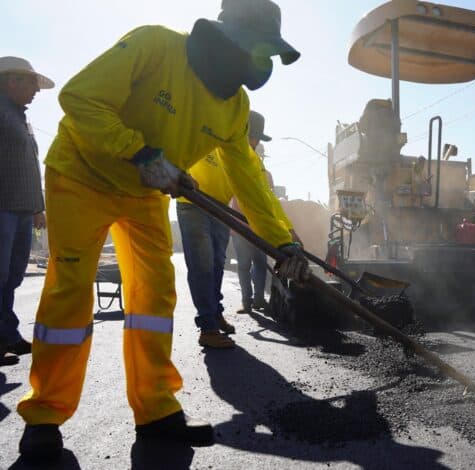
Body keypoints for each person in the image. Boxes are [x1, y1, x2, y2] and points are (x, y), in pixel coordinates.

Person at [16, 0, 310, 463]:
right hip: (81, 173)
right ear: (228, 38)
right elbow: (78, 97)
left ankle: (155, 409)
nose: (260, 64)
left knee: (155, 296)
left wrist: (283, 242)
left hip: (142, 194)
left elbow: (249, 181)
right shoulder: (155, 45)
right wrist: (140, 152)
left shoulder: (235, 108)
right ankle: (45, 416)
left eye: (269, 57)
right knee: (70, 290)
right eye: (260, 51)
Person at [0, 57, 52, 359]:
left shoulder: (21, 118)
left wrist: (37, 207)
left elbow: (31, 167)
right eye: (32, 82)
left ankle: (7, 332)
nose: (37, 90)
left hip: (21, 209)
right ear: (12, 81)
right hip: (3, 207)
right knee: (1, 274)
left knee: (13, 275)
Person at [231, 111, 297, 313]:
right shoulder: (232, 159)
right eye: (254, 138)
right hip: (239, 226)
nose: (255, 144)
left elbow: (272, 203)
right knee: (243, 265)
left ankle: (259, 299)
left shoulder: (264, 174)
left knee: (259, 264)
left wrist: (288, 230)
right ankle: (246, 301)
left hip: (259, 227)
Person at [176, 152, 237, 348]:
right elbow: (178, 146)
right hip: (193, 202)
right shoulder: (207, 128)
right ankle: (208, 327)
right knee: (202, 265)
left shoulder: (239, 148)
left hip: (220, 209)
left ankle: (215, 312)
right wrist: (180, 173)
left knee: (218, 263)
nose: (256, 143)